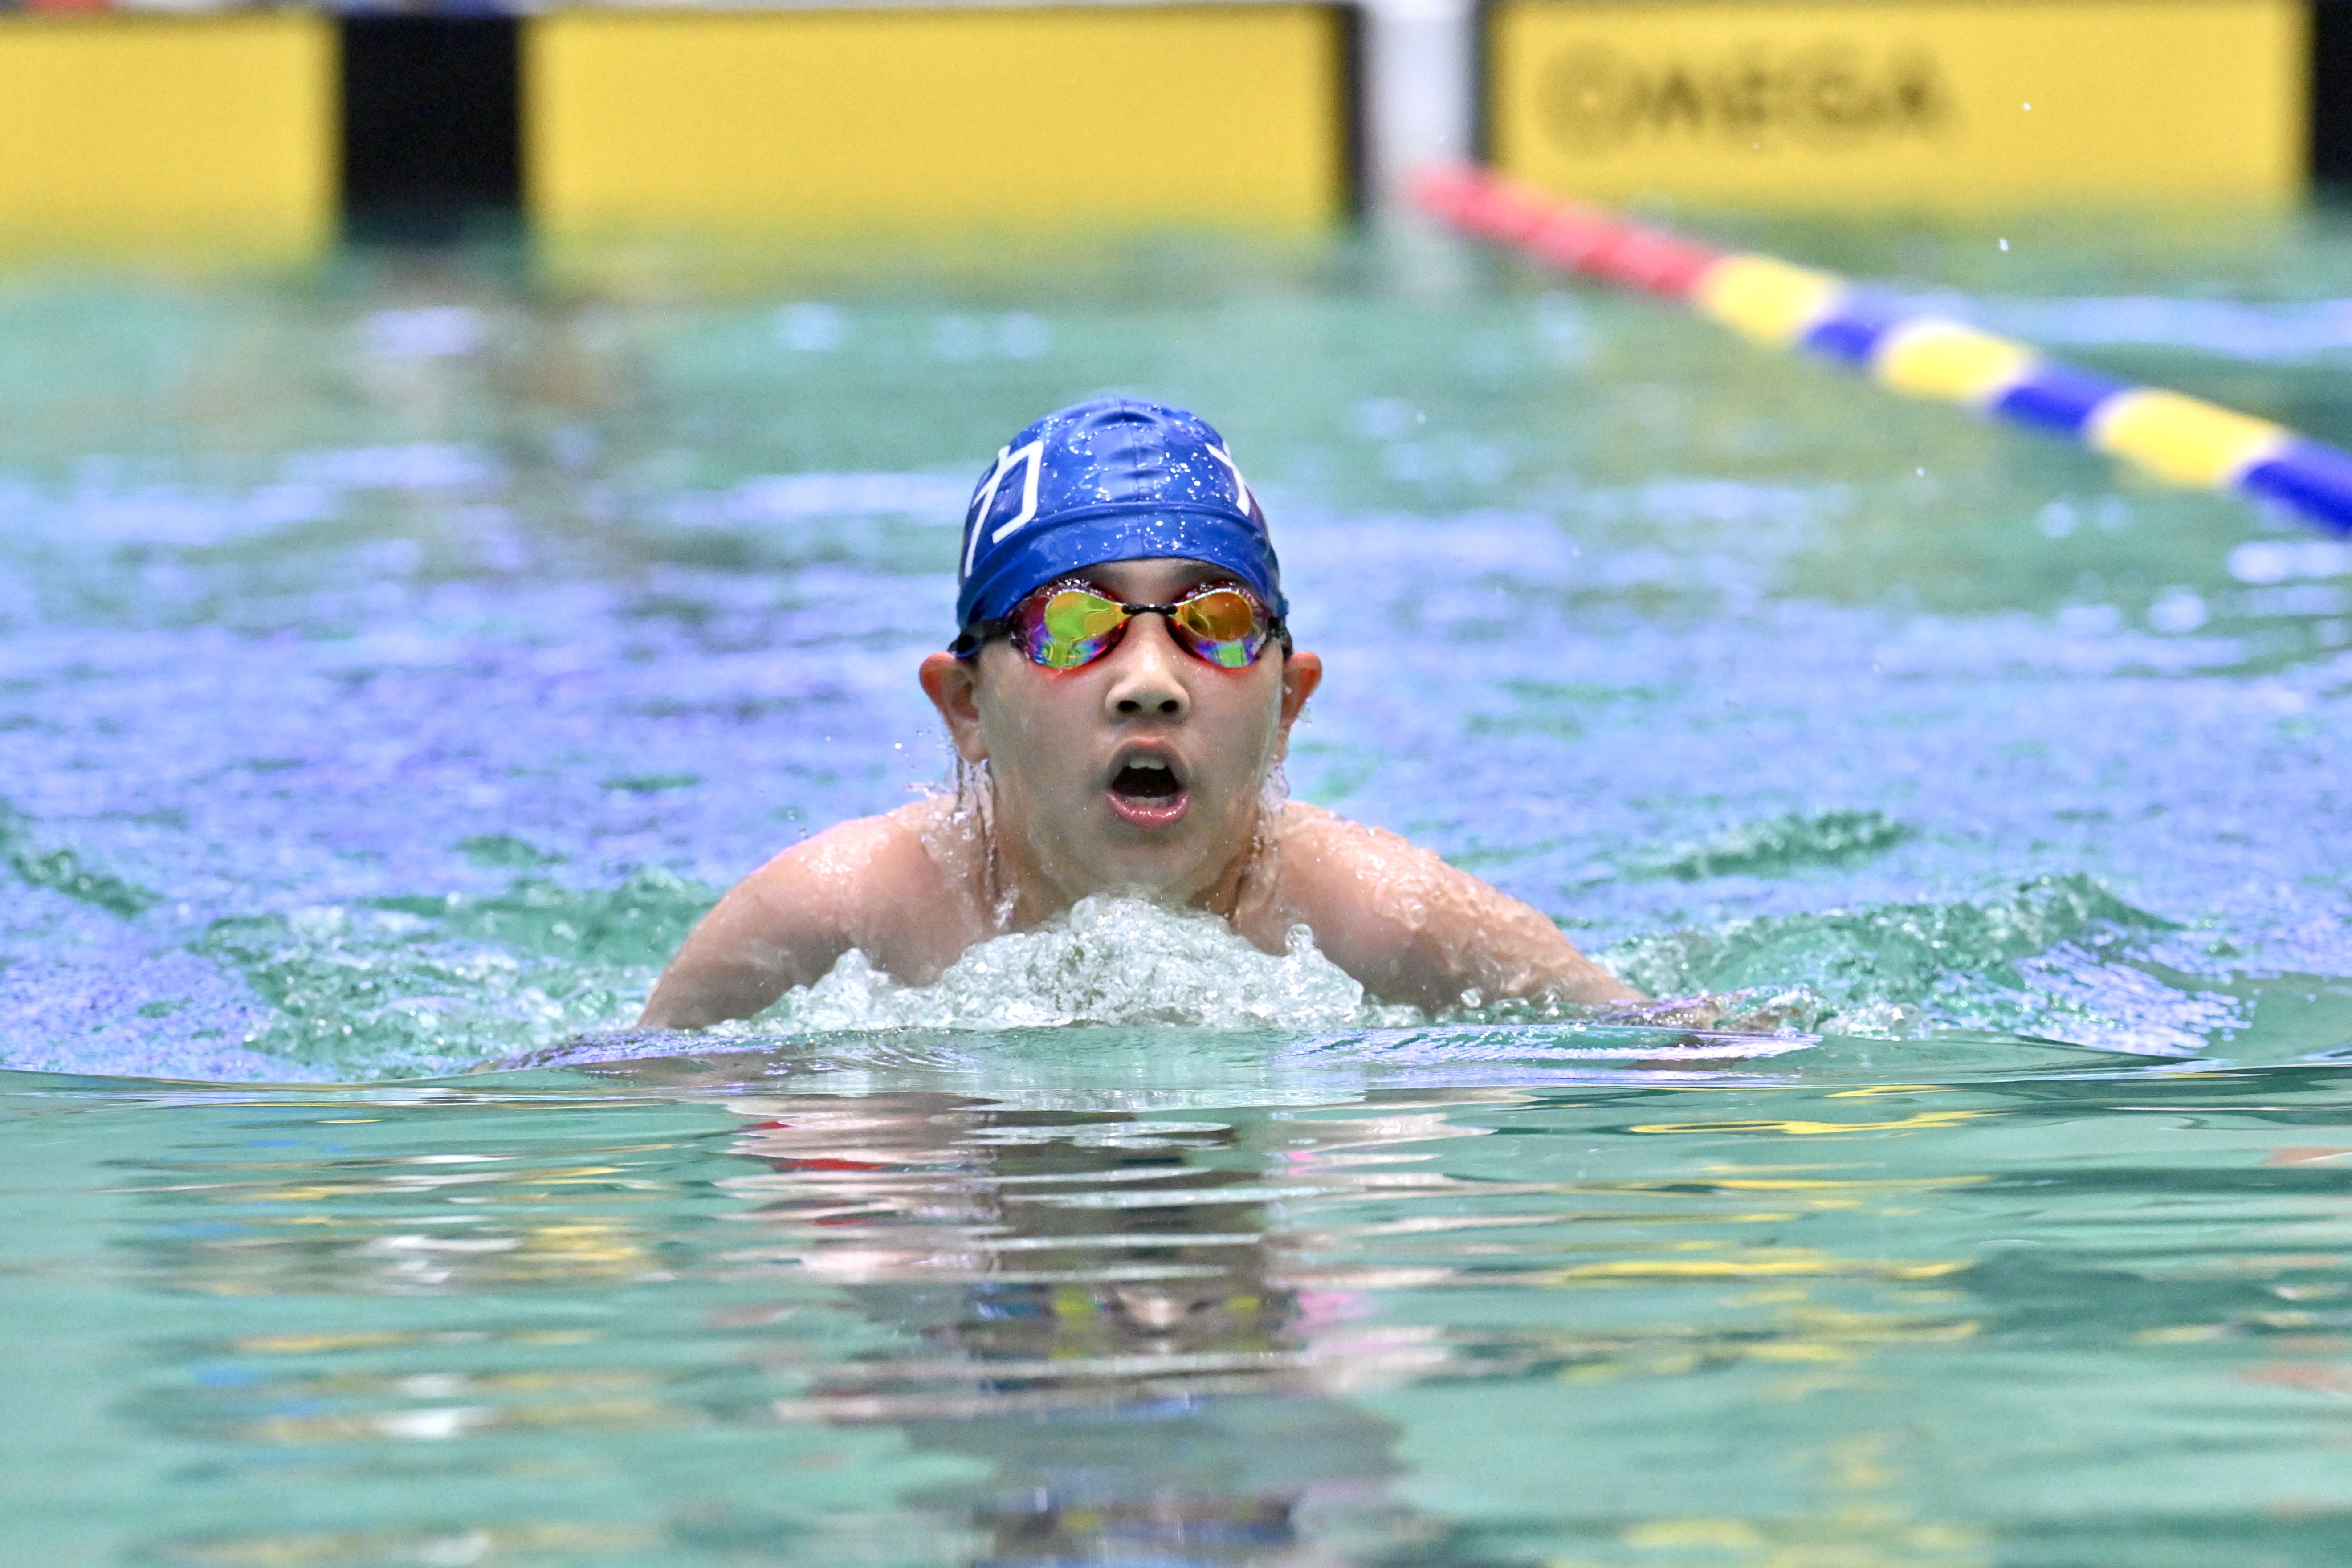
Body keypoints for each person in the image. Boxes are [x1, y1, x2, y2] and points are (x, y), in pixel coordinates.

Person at [639, 395, 1638, 1029]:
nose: (1150, 680)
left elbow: (1680, 1054)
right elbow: (620, 1108)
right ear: (967, 705)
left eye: (1215, 621)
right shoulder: (835, 919)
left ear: (1288, 704)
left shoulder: (1383, 918)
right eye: (1074, 624)